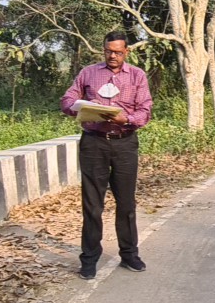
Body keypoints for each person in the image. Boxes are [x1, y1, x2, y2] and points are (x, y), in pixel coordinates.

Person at [61, 30, 153, 279]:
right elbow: (68, 98)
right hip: (94, 144)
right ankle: (89, 259)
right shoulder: (88, 73)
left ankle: (129, 254)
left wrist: (127, 119)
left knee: (126, 203)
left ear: (126, 52)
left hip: (124, 143)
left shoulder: (137, 75)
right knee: (92, 204)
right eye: (108, 51)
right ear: (103, 50)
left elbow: (145, 110)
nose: (112, 56)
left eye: (118, 52)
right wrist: (78, 108)